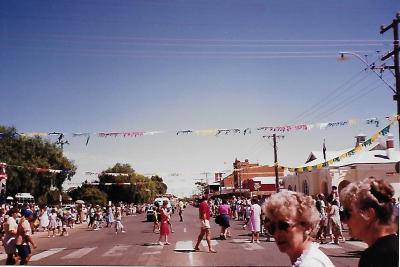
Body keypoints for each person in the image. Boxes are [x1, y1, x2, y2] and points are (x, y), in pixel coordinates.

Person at [263, 191, 334, 267]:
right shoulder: (308, 257)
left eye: (284, 226)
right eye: (272, 227)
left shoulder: (310, 263)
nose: (277, 234)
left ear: (307, 227)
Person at [340, 177, 399, 267]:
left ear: (368, 214)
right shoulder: (394, 247)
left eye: (348, 213)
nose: (344, 221)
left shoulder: (376, 257)